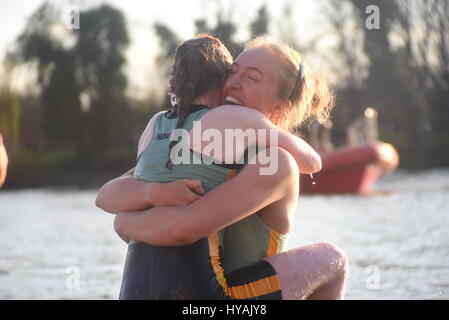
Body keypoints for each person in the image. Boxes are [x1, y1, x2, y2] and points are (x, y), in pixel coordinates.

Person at [97, 35, 348, 299]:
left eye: (251, 78)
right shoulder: (224, 154)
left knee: (333, 259)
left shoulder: (273, 162)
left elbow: (169, 225)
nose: (233, 84)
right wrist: (141, 204)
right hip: (214, 297)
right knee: (334, 260)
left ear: (280, 107)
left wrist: (125, 223)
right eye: (232, 73)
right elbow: (177, 227)